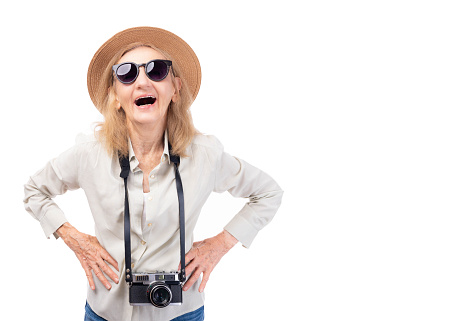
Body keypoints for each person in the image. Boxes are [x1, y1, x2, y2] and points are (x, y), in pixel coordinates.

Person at [23, 27, 283, 321]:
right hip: (104, 312)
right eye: (126, 73)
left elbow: (269, 192)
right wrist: (74, 238)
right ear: (115, 96)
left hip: (181, 312)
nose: (142, 81)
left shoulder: (205, 155)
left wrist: (220, 244)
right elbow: (34, 190)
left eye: (157, 71)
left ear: (175, 89)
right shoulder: (89, 153)